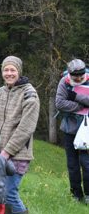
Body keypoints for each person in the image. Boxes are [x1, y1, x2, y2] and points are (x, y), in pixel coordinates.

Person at [0, 56, 40, 214]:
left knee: (9, 194)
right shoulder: (0, 92)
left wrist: (6, 152)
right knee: (0, 195)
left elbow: (26, 128)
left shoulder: (29, 94)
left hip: (17, 154)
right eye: (5, 70)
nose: (9, 73)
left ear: (19, 71)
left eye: (12, 70)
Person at [55, 58, 89, 204]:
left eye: (81, 76)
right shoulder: (64, 82)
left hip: (87, 129)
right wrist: (81, 106)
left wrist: (75, 97)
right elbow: (60, 103)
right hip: (69, 128)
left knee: (86, 163)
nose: (79, 79)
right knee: (72, 164)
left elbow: (69, 100)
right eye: (76, 77)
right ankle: (76, 194)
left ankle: (88, 194)